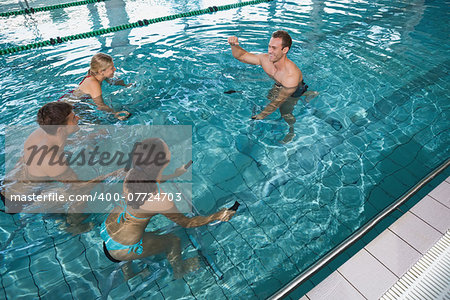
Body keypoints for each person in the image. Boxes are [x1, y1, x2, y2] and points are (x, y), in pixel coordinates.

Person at [100, 138, 236, 278]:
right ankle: (180, 270)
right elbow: (187, 223)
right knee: (173, 241)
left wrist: (175, 174)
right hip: (122, 249)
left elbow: (150, 179)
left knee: (143, 232)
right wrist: (217, 216)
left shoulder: (131, 174)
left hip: (107, 232)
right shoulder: (160, 200)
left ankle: (128, 273)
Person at [1, 102, 117, 233]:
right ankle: (75, 226)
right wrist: (114, 175)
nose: (78, 118)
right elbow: (79, 188)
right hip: (21, 201)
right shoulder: (52, 160)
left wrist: (88, 138)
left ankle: (55, 215)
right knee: (80, 195)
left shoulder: (42, 132)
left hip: (9, 186)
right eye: (73, 118)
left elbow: (60, 142)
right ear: (61, 128)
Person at [228, 30, 318, 143]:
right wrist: (234, 46)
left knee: (285, 112)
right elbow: (242, 56)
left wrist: (261, 115)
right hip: (280, 84)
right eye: (269, 46)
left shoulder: (291, 76)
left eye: (274, 48)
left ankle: (292, 131)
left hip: (294, 89)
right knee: (269, 98)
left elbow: (278, 101)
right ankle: (309, 93)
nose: (270, 51)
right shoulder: (265, 59)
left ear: (285, 50)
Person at [62, 53, 131, 121]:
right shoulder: (94, 83)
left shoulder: (100, 76)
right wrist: (115, 113)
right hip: (71, 106)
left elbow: (113, 82)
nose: (115, 69)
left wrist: (126, 85)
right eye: (112, 68)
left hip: (77, 99)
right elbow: (100, 106)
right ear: (101, 71)